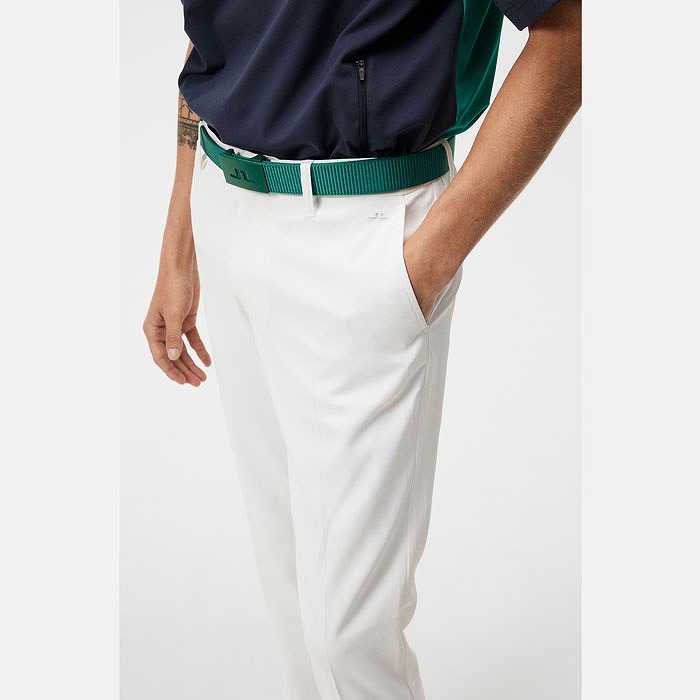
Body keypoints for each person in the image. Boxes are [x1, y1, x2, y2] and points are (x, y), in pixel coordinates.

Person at [143, 1, 581, 698]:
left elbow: (574, 35)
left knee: (348, 637)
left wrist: (425, 264)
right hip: (223, 202)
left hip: (363, 229)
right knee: (292, 596)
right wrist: (181, 233)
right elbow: (213, 27)